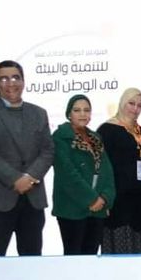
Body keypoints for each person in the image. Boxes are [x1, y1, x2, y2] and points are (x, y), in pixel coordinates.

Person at [0, 60, 54, 256]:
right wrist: (15, 179)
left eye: (16, 78)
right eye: (4, 79)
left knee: (32, 260)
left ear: (23, 81)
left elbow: (48, 151)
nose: (11, 83)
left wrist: (30, 177)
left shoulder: (39, 113)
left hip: (32, 199)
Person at [51, 94, 116, 255]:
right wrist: (91, 199)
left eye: (86, 110)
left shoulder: (96, 138)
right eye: (77, 110)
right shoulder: (60, 137)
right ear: (69, 114)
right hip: (72, 208)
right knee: (74, 258)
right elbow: (67, 174)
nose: (82, 114)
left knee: (91, 257)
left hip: (98, 209)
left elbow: (107, 172)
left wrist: (104, 198)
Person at [97, 88, 141, 254]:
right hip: (119, 200)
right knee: (121, 250)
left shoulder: (140, 130)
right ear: (123, 103)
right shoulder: (107, 130)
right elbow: (101, 167)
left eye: (139, 105)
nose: (135, 109)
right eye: (131, 103)